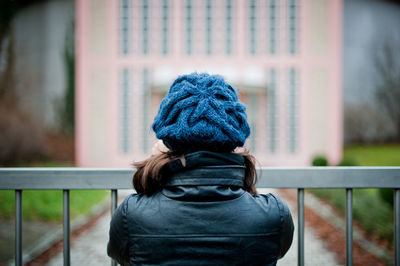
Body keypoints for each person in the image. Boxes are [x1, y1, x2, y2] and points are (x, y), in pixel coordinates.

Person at [107, 73, 294, 265]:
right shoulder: (274, 214)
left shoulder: (132, 214)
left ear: (168, 139)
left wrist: (158, 168)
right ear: (234, 133)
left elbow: (121, 255)